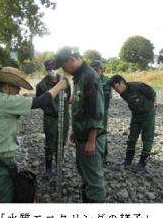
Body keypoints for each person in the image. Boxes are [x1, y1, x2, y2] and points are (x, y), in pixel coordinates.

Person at [0, 66, 68, 203]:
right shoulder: (5, 101)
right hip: (0, 168)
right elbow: (41, 101)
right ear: (6, 86)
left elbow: (0, 120)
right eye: (17, 87)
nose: (19, 91)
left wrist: (19, 104)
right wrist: (59, 86)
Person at [54, 46, 106, 203]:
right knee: (85, 173)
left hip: (91, 140)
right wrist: (75, 131)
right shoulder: (79, 77)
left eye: (64, 66)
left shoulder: (89, 76)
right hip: (81, 137)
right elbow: (81, 108)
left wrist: (91, 140)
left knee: (94, 180)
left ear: (71, 60)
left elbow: (96, 112)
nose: (65, 70)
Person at [108, 75, 157, 172]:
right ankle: (128, 160)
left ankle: (142, 163)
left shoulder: (137, 86)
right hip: (135, 115)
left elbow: (152, 92)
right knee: (132, 138)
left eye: (117, 86)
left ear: (122, 82)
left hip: (148, 114)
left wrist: (154, 103)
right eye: (114, 88)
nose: (116, 89)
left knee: (147, 138)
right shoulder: (122, 93)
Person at [36, 59, 71, 177]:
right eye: (49, 68)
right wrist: (51, 111)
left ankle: (59, 165)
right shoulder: (41, 85)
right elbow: (40, 102)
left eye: (54, 67)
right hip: (50, 118)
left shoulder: (64, 81)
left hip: (64, 116)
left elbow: (68, 96)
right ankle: (48, 168)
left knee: (62, 141)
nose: (52, 70)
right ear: (46, 69)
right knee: (50, 142)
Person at [90, 60, 112, 160]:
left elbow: (107, 98)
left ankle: (103, 156)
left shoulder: (107, 81)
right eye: (93, 69)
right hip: (90, 112)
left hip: (102, 112)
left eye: (97, 69)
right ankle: (93, 154)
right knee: (91, 132)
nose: (95, 71)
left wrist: (101, 112)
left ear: (101, 69)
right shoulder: (89, 79)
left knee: (102, 132)